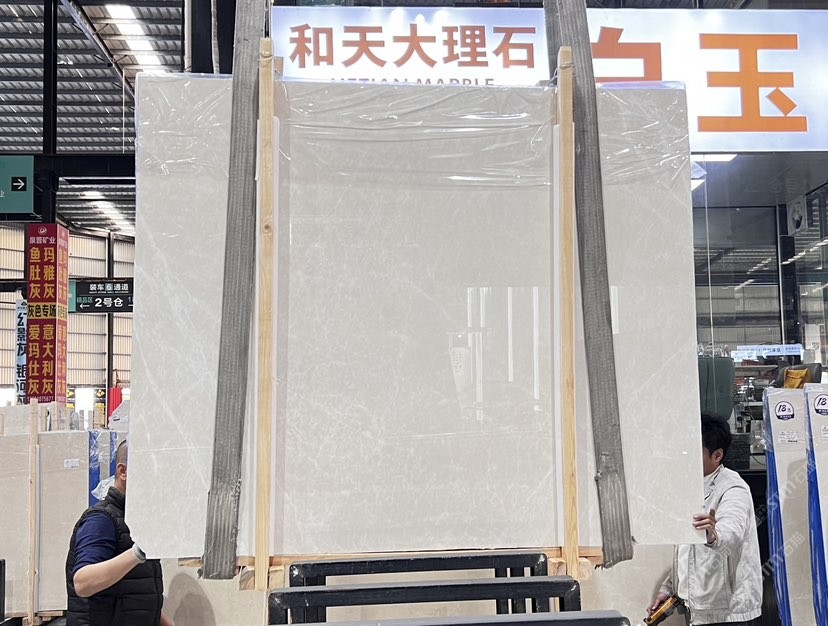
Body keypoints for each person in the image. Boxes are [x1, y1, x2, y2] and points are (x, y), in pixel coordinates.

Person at [648, 415, 762, 625]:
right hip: (697, 608)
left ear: (717, 455)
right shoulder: (690, 486)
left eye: (693, 451)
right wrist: (670, 588)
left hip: (727, 614)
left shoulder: (733, 488)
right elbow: (687, 550)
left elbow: (732, 532)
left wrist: (714, 535)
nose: (685, 457)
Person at [65, 440, 174, 626]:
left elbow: (134, 590)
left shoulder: (134, 521)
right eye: (149, 471)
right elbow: (83, 583)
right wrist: (137, 553)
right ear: (123, 471)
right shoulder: (101, 520)